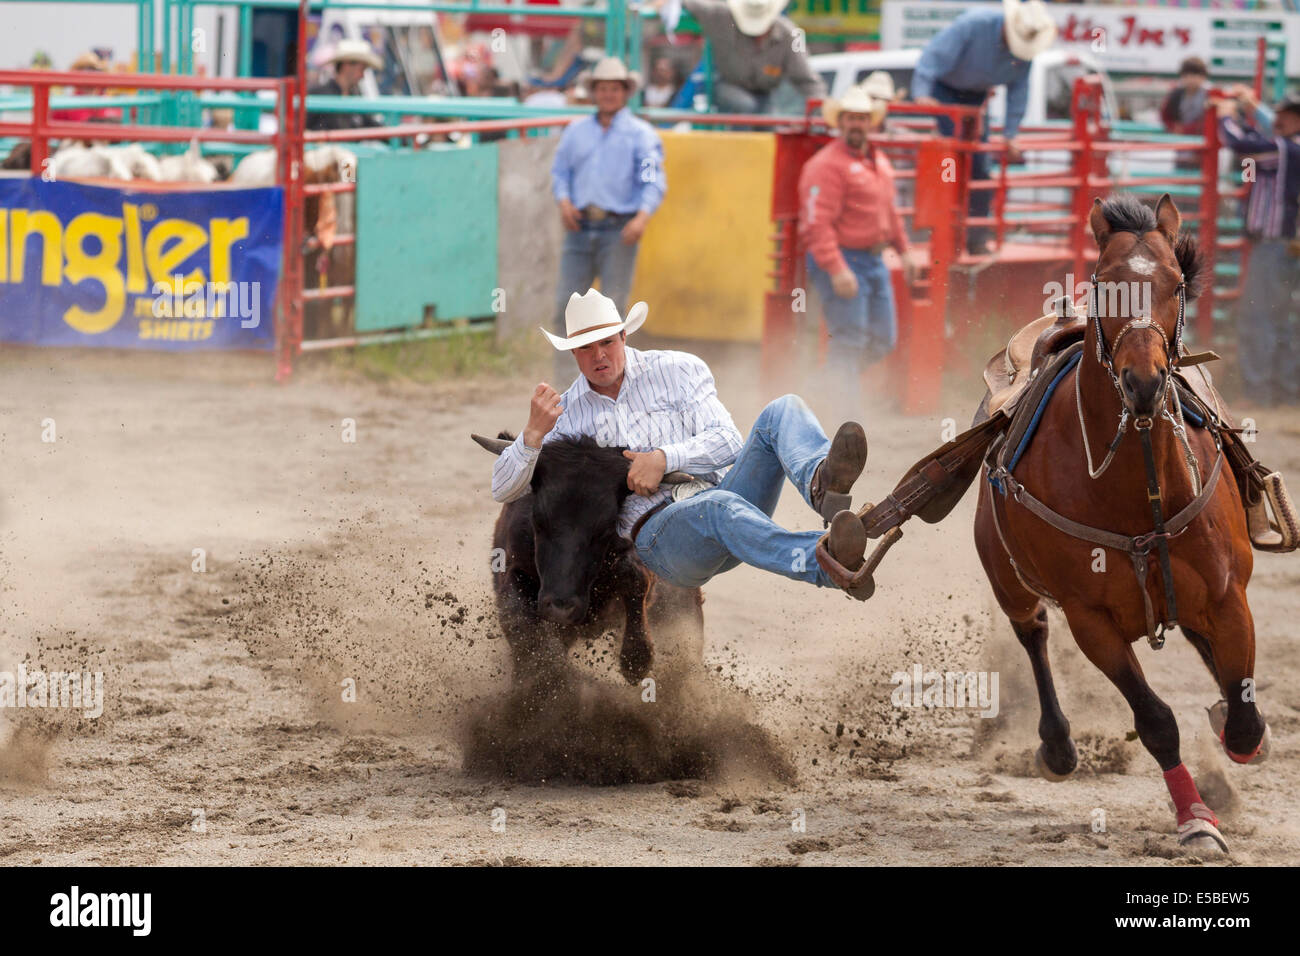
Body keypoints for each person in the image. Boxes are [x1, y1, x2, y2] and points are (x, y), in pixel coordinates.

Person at [491, 288, 877, 599]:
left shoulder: (677, 369)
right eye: (586, 348)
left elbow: (729, 441)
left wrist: (664, 457)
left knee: (783, 409)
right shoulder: (567, 416)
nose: (599, 356)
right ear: (573, 353)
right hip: (660, 538)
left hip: (724, 496)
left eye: (607, 342)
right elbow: (503, 488)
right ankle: (825, 563)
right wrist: (531, 437)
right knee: (717, 508)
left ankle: (821, 485)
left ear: (624, 336)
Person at [799, 75, 916, 416]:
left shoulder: (877, 161)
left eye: (862, 118)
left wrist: (905, 250)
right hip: (843, 258)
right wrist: (836, 268)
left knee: (882, 339)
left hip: (872, 260)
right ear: (841, 122)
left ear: (870, 122)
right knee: (849, 340)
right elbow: (816, 223)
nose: (857, 124)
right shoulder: (826, 166)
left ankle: (821, 387)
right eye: (850, 117)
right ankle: (843, 416)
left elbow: (889, 211)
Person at [549, 57, 665, 378]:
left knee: (613, 314)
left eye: (615, 89)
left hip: (619, 228)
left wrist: (642, 217)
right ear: (594, 92)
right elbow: (560, 172)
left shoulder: (641, 135)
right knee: (565, 306)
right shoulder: (575, 132)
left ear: (625, 92)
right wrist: (564, 202)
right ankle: (566, 385)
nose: (609, 94)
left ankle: (615, 379)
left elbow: (652, 181)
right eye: (603, 88)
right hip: (580, 225)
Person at [911, 0, 1057, 253]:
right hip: (944, 93)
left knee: (979, 166)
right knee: (952, 159)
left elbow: (1018, 92)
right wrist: (923, 95)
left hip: (975, 99)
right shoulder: (973, 25)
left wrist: (1011, 134)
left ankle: (975, 237)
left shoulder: (1023, 54)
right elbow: (932, 57)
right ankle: (942, 233)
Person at [1217, 90, 1300, 407]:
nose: (1278, 119)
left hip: (1274, 247)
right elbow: (1256, 139)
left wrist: (1226, 115)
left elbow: (1240, 143)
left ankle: (1259, 391)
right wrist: (1249, 111)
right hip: (1286, 246)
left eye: (1286, 115)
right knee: (1284, 319)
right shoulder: (1287, 149)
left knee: (1259, 316)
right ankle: (1285, 391)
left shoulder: (1283, 150)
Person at [655, 0, 825, 114]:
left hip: (765, 95)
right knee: (746, 107)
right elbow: (692, 4)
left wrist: (822, 108)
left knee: (767, 119)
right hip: (725, 85)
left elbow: (807, 80)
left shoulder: (789, 34)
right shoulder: (721, 16)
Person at [306, 39, 383, 132]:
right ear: (347, 66)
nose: (362, 75)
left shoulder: (355, 99)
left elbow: (373, 126)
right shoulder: (317, 95)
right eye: (361, 69)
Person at [1161, 57, 1211, 170]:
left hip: (1203, 148)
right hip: (1182, 145)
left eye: (1195, 75)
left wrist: (1184, 129)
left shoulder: (1209, 95)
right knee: (1181, 176)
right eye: (1187, 75)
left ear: (1203, 77)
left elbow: (1209, 122)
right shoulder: (1175, 94)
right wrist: (1173, 127)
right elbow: (1165, 115)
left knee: (1202, 178)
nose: (1191, 79)